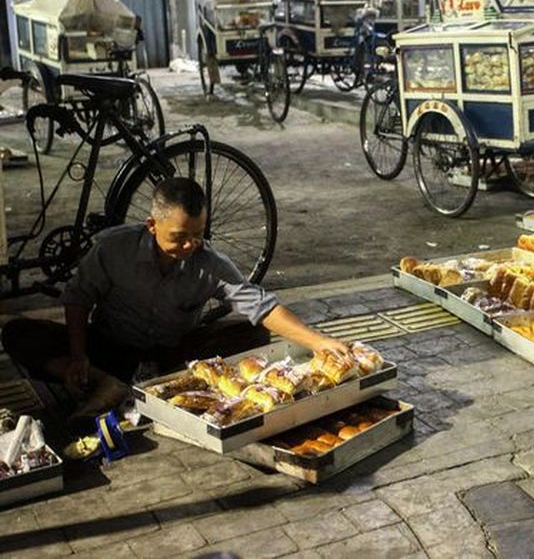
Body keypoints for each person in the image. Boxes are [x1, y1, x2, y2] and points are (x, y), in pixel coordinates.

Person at [1, 177, 349, 421]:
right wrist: (77, 357)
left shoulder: (209, 263)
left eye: (198, 235)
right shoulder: (113, 248)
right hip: (106, 349)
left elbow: (263, 306)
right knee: (16, 333)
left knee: (254, 334)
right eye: (180, 237)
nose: (190, 246)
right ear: (152, 225)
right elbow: (77, 300)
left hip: (173, 358)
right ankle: (99, 379)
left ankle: (137, 385)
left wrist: (321, 342)